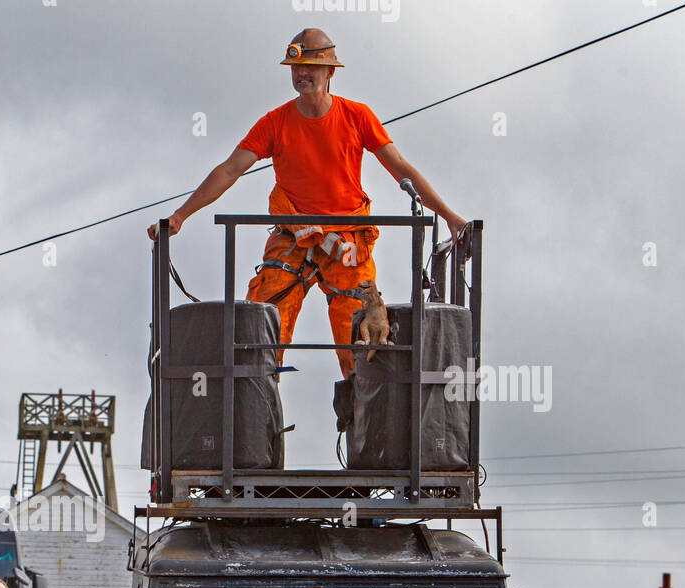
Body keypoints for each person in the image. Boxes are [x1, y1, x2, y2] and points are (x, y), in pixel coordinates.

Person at [148, 27, 466, 381]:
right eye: (297, 68)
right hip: (293, 233)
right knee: (261, 322)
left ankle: (364, 410)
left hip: (347, 239)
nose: (303, 74)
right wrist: (180, 215)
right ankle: (254, 405)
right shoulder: (275, 123)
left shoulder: (357, 117)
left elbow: (400, 167)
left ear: (330, 72)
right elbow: (229, 169)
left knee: (364, 327)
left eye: (312, 67)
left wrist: (449, 216)